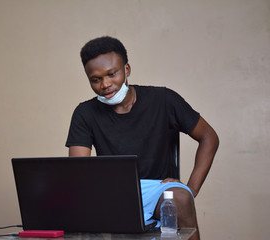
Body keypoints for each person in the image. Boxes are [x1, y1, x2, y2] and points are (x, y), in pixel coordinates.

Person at [65, 36, 219, 240]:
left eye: (112, 74)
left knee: (180, 198)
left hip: (159, 190)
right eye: (96, 79)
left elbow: (209, 137)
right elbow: (79, 170)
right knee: (73, 206)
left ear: (126, 69)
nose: (105, 84)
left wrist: (191, 189)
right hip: (112, 191)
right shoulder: (85, 113)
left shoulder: (164, 100)